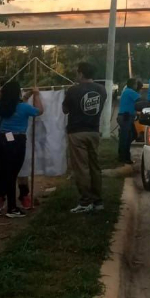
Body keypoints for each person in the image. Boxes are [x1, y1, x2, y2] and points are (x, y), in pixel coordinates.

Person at [0, 80, 42, 218]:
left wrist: (27, 95)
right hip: (16, 141)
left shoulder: (1, 105)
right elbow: (39, 111)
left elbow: (15, 104)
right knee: (11, 175)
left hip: (1, 140)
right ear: (18, 93)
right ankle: (12, 208)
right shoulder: (24, 108)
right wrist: (36, 95)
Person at [63, 61, 106, 214]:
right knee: (95, 167)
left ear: (81, 73)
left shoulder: (73, 90)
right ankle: (97, 200)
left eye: (77, 72)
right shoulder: (102, 90)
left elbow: (64, 110)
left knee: (81, 168)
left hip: (77, 132)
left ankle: (85, 201)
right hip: (94, 131)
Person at [117, 77, 141, 164]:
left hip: (126, 117)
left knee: (131, 135)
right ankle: (123, 158)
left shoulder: (126, 91)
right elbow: (141, 100)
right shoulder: (130, 92)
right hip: (125, 117)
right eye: (136, 84)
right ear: (132, 84)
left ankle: (125, 156)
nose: (136, 85)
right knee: (125, 138)